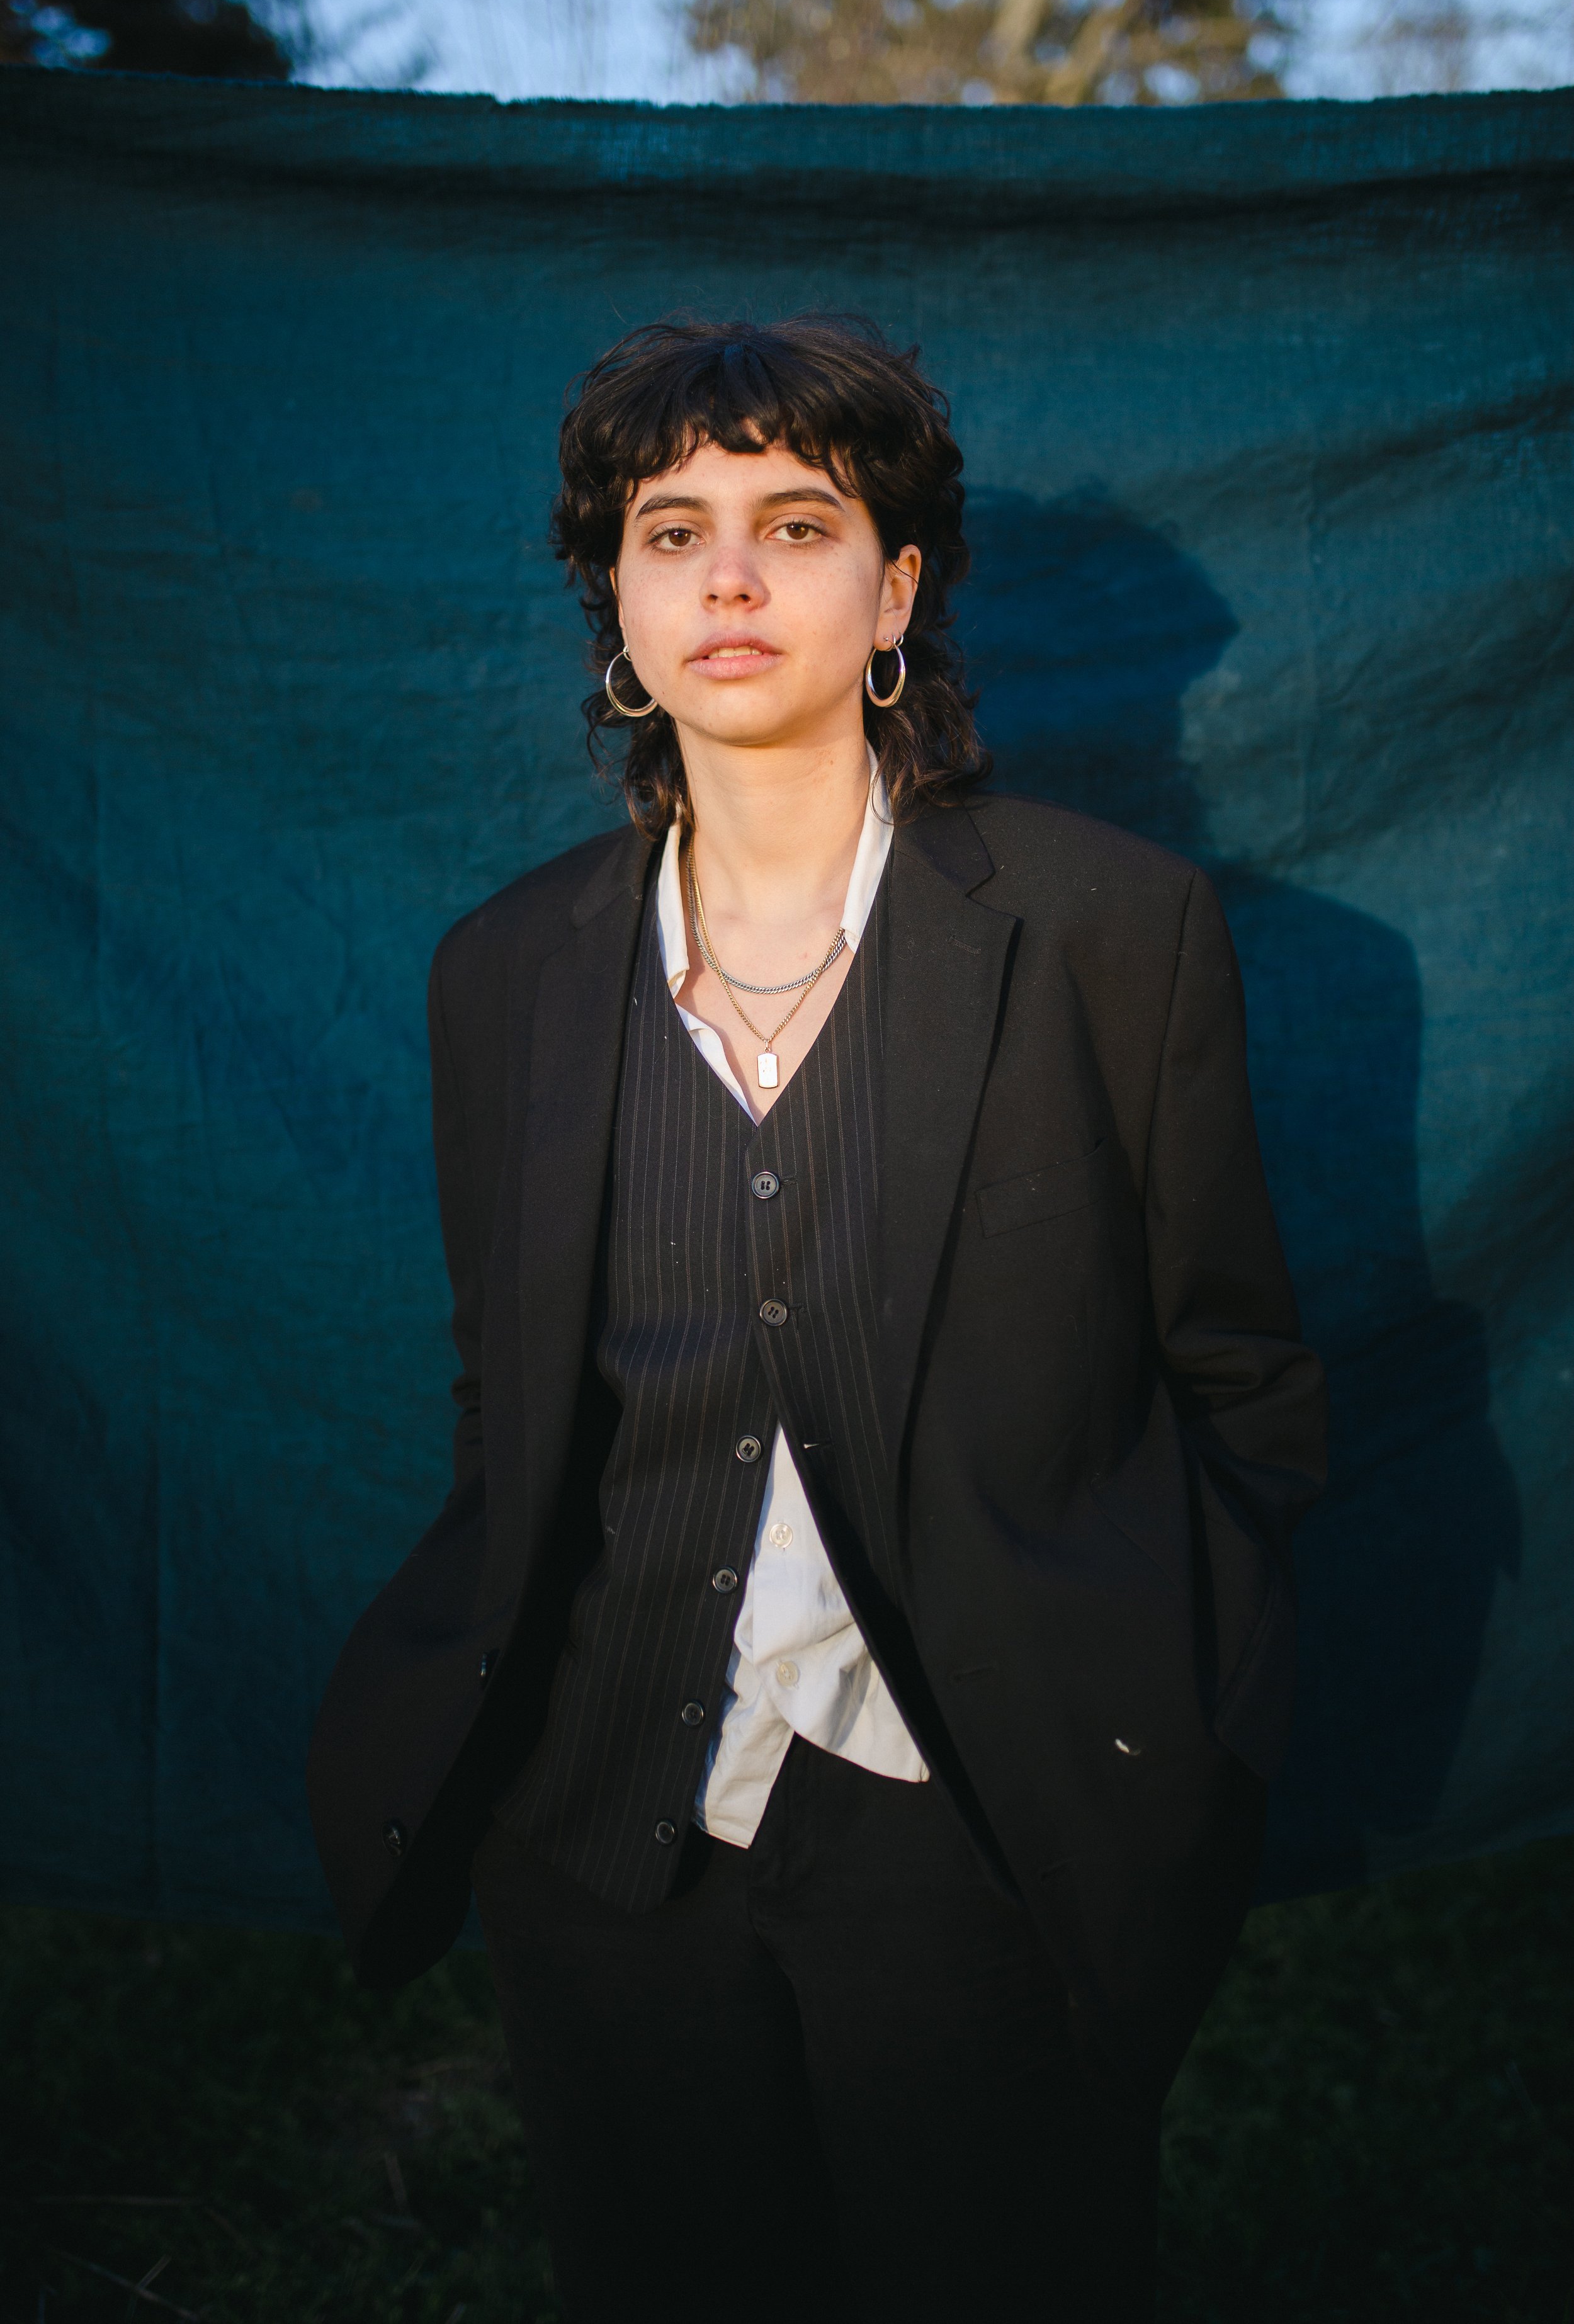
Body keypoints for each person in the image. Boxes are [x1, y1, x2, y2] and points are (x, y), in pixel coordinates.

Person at [307, 314, 1328, 2322]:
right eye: (669, 530)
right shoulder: (500, 973)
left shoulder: (1111, 934)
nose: (732, 577)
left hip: (982, 1824)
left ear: (898, 590)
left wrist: (1162, 1730)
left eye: (795, 521)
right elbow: (506, 1405)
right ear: (615, 597)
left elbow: (1241, 1384)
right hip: (603, 1839)